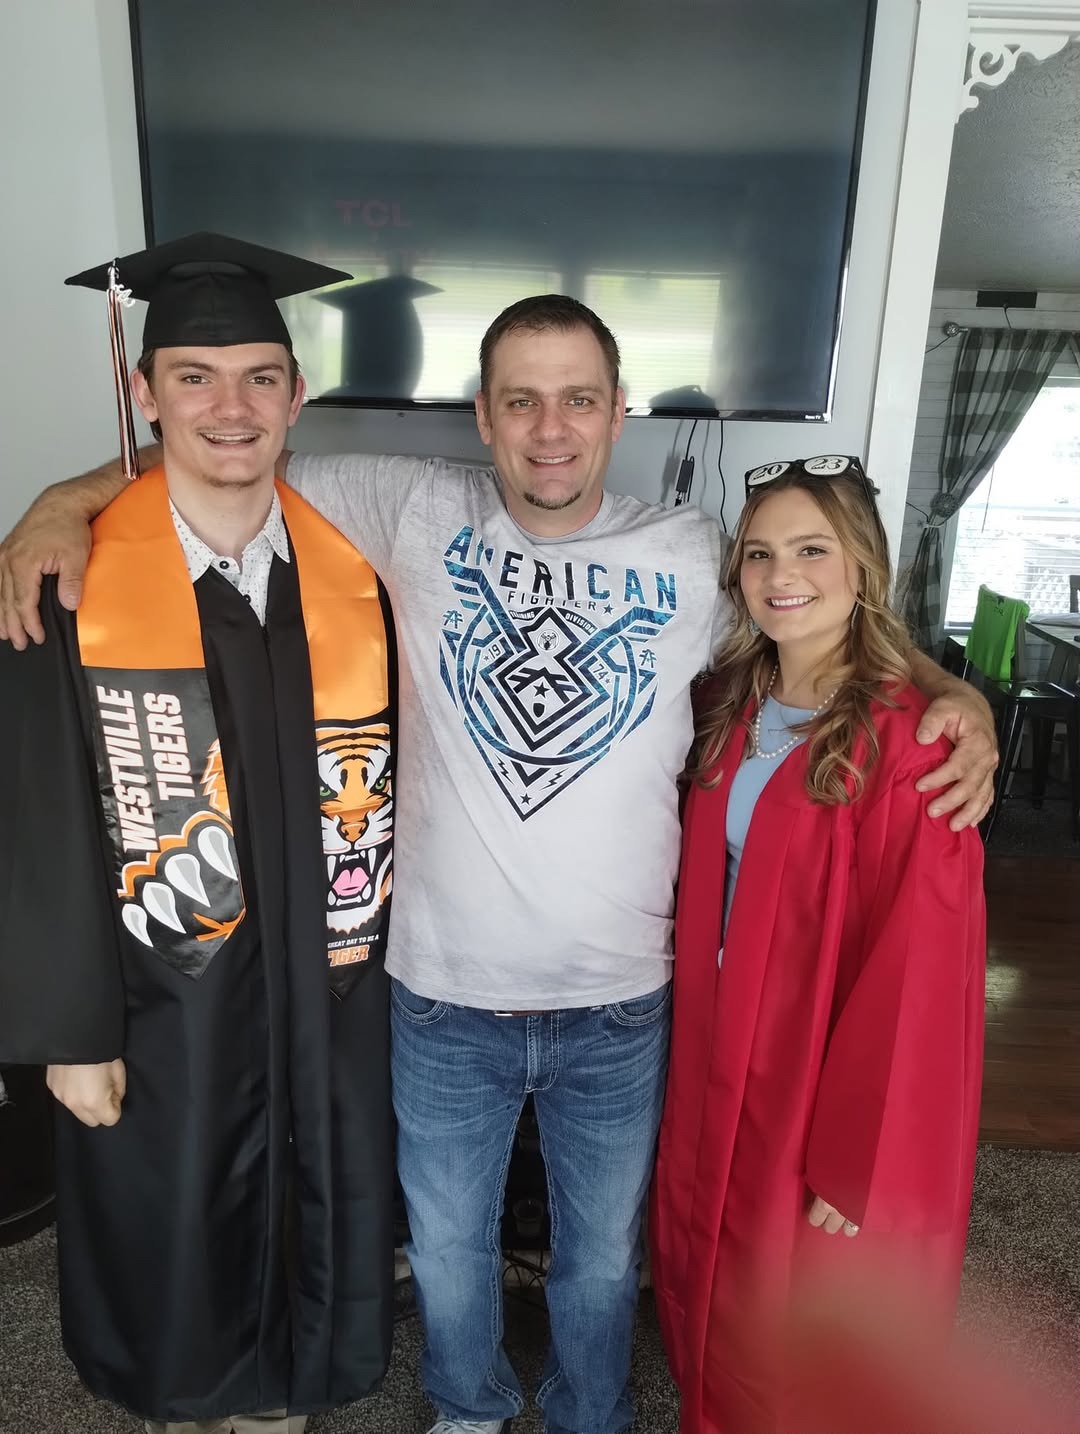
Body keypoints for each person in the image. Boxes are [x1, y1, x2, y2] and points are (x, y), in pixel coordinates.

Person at [0, 298, 997, 1434]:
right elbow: (222, 451)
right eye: (520, 401)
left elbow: (817, 614)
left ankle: (588, 1412)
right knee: (447, 1249)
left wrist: (951, 690)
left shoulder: (690, 547)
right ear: (483, 415)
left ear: (618, 412)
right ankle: (467, 1408)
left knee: (600, 1259)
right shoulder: (408, 505)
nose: (550, 429)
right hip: (442, 995)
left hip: (621, 1000)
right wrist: (60, 500)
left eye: (578, 399)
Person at [0, 234, 397, 1433]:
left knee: (314, 1196)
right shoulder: (66, 587)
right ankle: (183, 1399)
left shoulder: (349, 577)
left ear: (296, 394)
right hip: (157, 997)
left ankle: (287, 1395)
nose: (231, 407)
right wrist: (69, 1035)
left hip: (325, 988)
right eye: (194, 377)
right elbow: (35, 819)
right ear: (145, 393)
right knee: (173, 1216)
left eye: (260, 377)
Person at [649, 456, 986, 1433]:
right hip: (714, 1048)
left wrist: (859, 1155)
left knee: (789, 1314)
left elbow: (921, 971)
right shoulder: (729, 705)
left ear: (863, 566)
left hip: (812, 1077)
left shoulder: (912, 745)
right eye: (759, 553)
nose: (780, 575)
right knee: (708, 1284)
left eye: (810, 550)